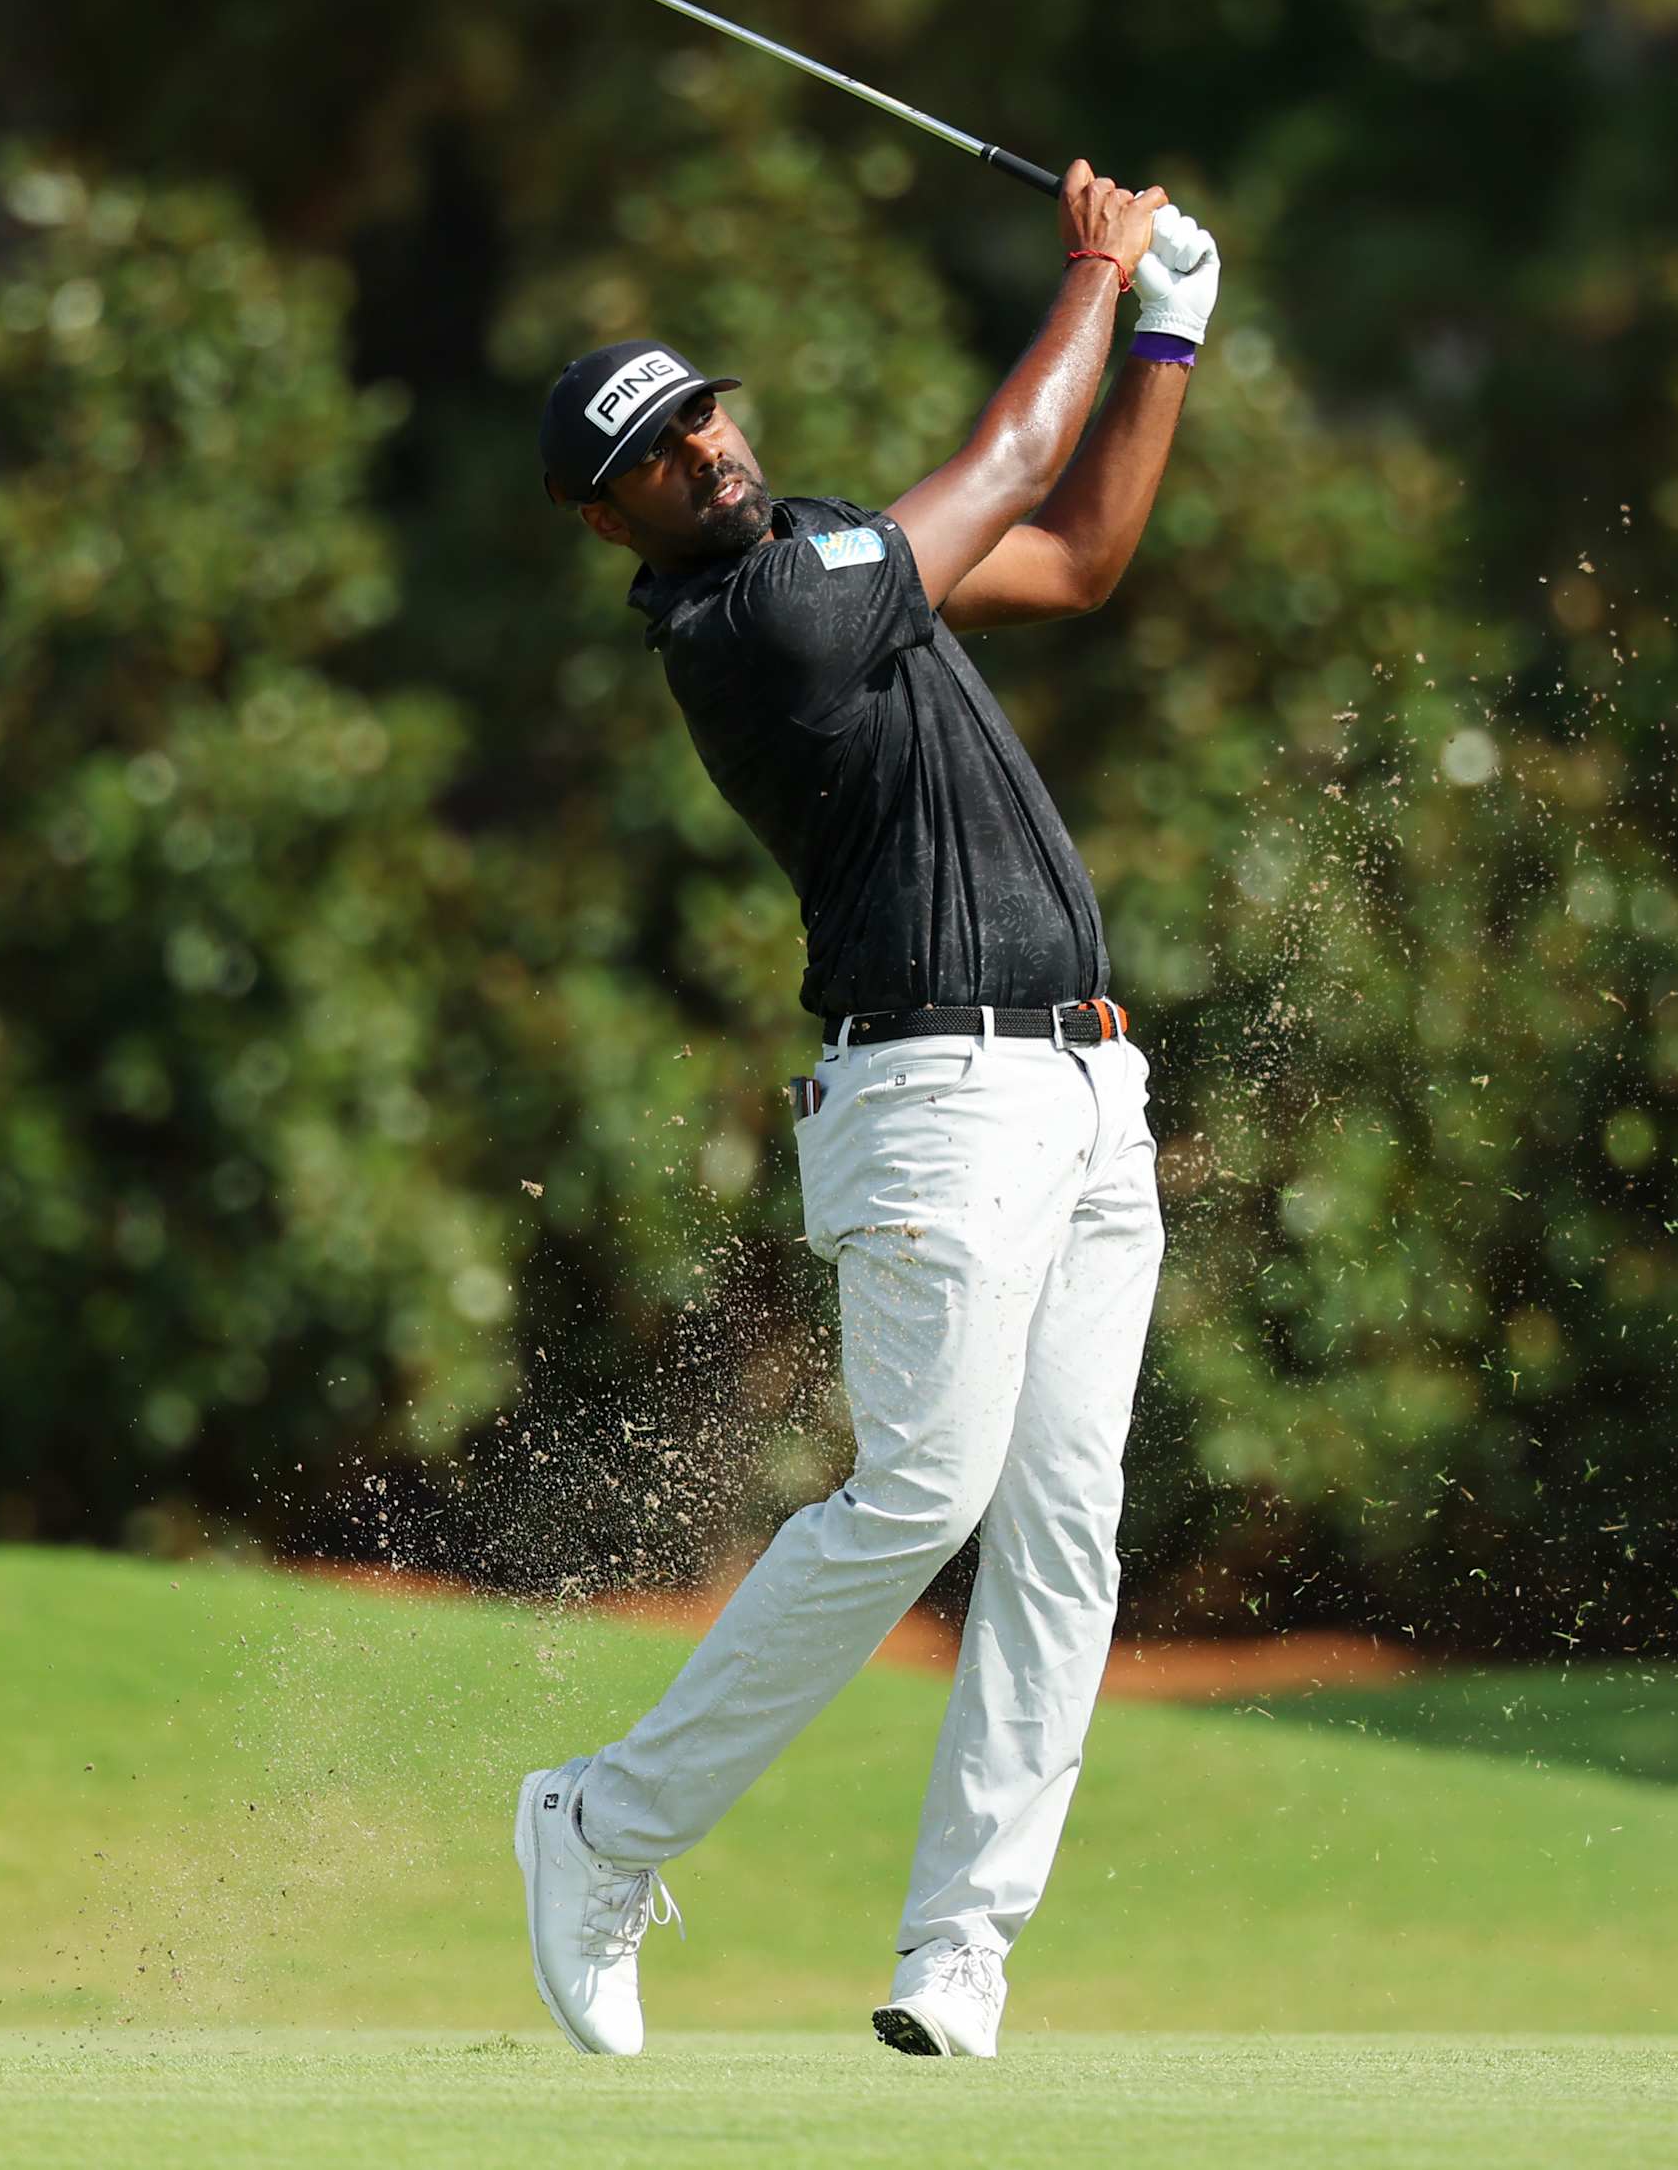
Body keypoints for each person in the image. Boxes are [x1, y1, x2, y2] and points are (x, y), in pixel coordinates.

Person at [516, 160, 1220, 2059]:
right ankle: (604, 1820)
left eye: (700, 413)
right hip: (931, 1097)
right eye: (654, 457)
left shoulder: (825, 549)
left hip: (1085, 1086)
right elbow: (1006, 463)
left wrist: (1166, 333)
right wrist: (1095, 273)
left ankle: (961, 1947)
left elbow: (1071, 557)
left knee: (1066, 1532)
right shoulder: (759, 630)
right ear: (613, 523)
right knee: (926, 1489)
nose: (701, 453)